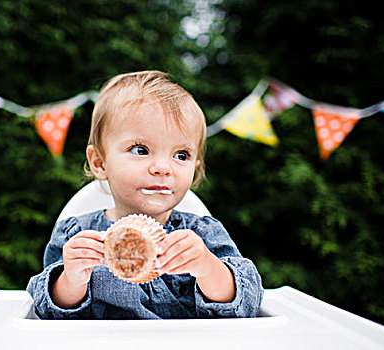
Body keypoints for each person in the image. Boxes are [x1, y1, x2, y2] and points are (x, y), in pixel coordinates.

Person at [27, 71, 263, 319]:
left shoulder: (203, 234)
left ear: (194, 168)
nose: (163, 167)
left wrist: (208, 268)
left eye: (181, 155)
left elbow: (248, 303)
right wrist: (70, 280)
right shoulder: (75, 233)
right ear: (99, 162)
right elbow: (45, 312)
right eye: (140, 150)